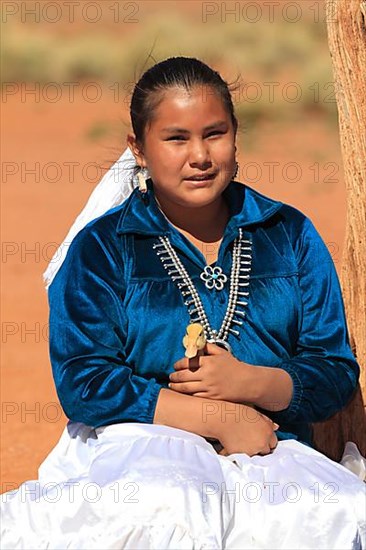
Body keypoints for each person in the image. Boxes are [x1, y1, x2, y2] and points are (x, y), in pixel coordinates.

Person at [1, 56, 365, 549]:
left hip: (272, 443)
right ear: (140, 149)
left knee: (336, 514)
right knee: (168, 506)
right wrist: (218, 417)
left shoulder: (289, 234)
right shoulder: (104, 247)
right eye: (176, 138)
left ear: (236, 137)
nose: (200, 156)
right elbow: (85, 382)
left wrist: (253, 383)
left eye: (214, 134)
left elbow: (334, 368)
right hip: (140, 444)